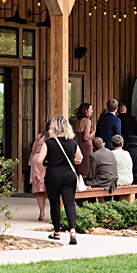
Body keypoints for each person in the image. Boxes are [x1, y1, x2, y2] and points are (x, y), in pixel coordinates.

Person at [37, 115, 82, 245]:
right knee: (69, 203)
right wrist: (72, 162)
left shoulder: (49, 142)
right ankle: (73, 231)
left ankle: (57, 232)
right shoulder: (73, 143)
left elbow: (40, 160)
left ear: (53, 127)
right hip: (69, 175)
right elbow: (80, 158)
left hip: (53, 175)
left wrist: (48, 165)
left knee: (55, 203)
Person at [29, 125, 48, 221]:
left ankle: (41, 212)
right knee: (51, 188)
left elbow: (33, 149)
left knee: (40, 189)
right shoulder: (53, 137)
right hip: (47, 160)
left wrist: (30, 161)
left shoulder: (40, 136)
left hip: (35, 160)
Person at [74, 102, 95, 178]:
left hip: (79, 145)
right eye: (90, 109)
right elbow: (86, 137)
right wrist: (94, 132)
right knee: (87, 163)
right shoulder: (87, 121)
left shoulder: (77, 122)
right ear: (86, 110)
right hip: (86, 145)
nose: (92, 111)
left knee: (81, 163)